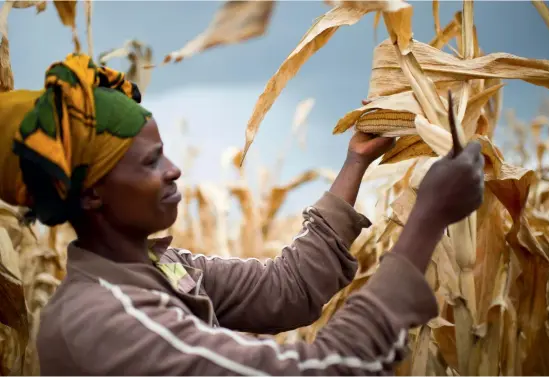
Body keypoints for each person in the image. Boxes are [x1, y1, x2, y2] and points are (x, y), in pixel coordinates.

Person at [0, 54, 484, 376]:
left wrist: (356, 161)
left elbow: (287, 288)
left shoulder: (164, 271)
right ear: (91, 197)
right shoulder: (101, 321)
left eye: (164, 153)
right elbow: (324, 369)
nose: (174, 171)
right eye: (151, 162)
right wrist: (427, 218)